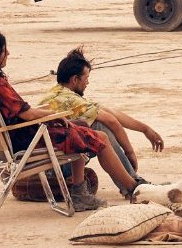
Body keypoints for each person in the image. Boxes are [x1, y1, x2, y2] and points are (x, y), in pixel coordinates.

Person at [0, 30, 143, 201]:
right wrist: (54, 115)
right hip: (27, 140)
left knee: (81, 126)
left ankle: (81, 191)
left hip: (16, 137)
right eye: (4, 50)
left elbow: (23, 112)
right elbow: (28, 114)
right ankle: (132, 188)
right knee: (99, 137)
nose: (8, 53)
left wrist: (54, 115)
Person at [39, 47, 164, 182]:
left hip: (49, 160)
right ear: (75, 79)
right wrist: (129, 152)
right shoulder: (72, 100)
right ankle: (133, 182)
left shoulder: (58, 94)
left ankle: (132, 180)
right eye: (86, 78)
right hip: (53, 166)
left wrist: (145, 129)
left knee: (95, 124)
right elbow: (111, 120)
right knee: (100, 127)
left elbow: (110, 112)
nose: (87, 82)